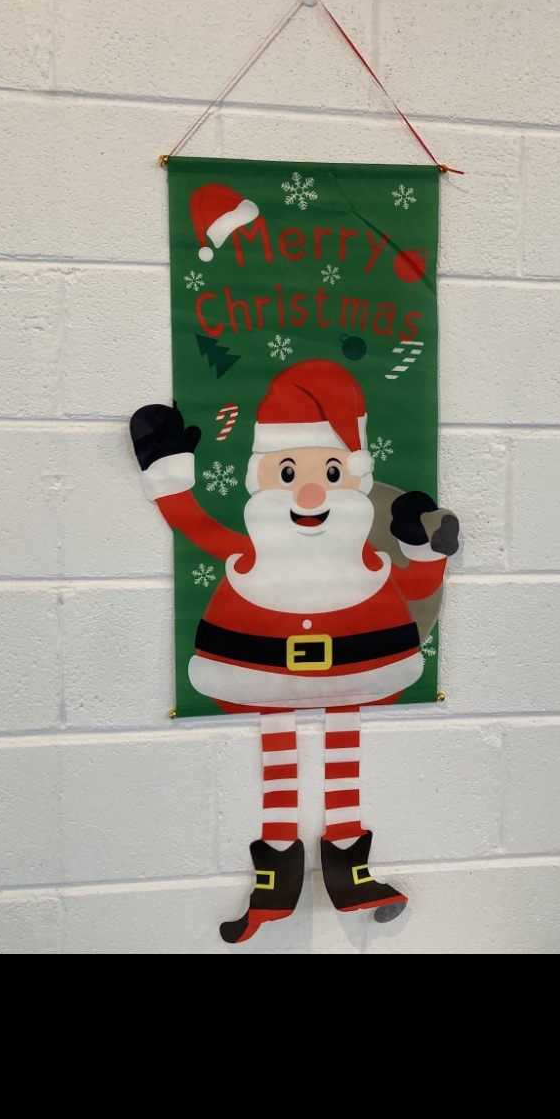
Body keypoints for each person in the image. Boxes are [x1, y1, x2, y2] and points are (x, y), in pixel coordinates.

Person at [130, 359, 458, 945]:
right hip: (256, 667)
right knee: (279, 746)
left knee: (343, 749)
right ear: (262, 475)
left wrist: (428, 549)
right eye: (288, 472)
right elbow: (195, 527)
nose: (310, 492)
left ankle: (349, 873)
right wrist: (166, 470)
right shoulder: (260, 551)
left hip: (360, 667)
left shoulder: (366, 561)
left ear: (353, 477)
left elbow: (417, 586)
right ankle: (276, 888)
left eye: (331, 472)